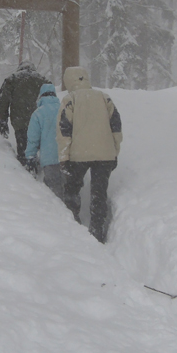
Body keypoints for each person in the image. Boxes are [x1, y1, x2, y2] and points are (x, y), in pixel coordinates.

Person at [57, 66, 122, 243]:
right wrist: (114, 152)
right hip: (105, 155)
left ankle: (73, 224)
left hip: (79, 155)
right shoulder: (104, 97)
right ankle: (97, 230)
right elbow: (116, 126)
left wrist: (64, 158)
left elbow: (64, 132)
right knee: (99, 193)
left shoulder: (70, 99)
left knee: (72, 188)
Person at [0, 61, 50, 163]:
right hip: (38, 122)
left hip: (19, 121)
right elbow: (51, 99)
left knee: (23, 149)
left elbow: (2, 100)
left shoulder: (12, 79)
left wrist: (3, 120)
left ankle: (25, 169)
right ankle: (36, 166)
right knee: (37, 147)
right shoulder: (42, 79)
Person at [24, 83, 65, 201]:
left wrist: (30, 156)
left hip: (49, 159)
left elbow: (33, 139)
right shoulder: (65, 109)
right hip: (67, 158)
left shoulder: (38, 114)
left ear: (41, 96)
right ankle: (74, 215)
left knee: (55, 195)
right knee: (69, 190)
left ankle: (58, 217)